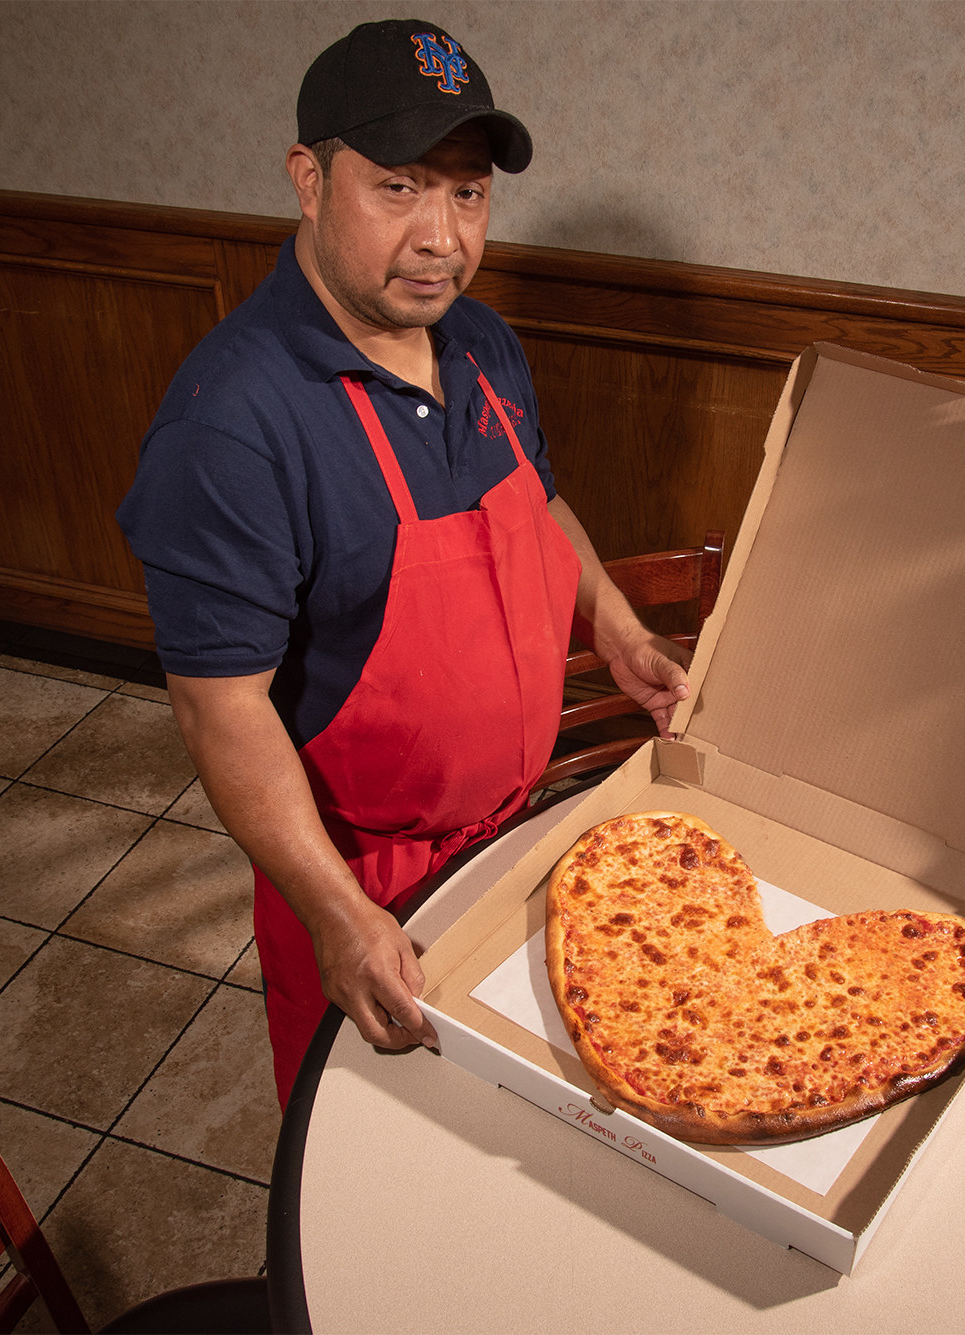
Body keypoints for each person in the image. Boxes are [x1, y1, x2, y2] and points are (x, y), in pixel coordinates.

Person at [116, 18, 689, 1106]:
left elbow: (538, 502)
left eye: (466, 194)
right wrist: (338, 916)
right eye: (398, 188)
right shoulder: (231, 424)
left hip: (515, 834)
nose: (442, 238)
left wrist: (616, 631)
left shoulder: (482, 343)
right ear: (308, 179)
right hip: (358, 876)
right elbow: (218, 709)